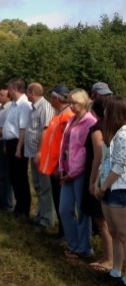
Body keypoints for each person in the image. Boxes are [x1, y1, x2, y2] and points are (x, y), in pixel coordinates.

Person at [59, 88, 96, 258]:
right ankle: (74, 244)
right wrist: (62, 168)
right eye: (70, 102)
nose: (71, 106)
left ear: (82, 102)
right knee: (64, 209)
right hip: (67, 170)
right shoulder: (72, 119)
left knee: (82, 211)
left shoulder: (89, 121)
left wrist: (72, 172)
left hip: (79, 173)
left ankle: (84, 248)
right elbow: (65, 146)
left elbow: (84, 152)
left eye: (74, 102)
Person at [96, 96, 126, 286]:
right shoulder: (112, 134)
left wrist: (104, 186)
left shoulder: (123, 135)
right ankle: (115, 271)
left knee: (123, 234)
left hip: (119, 188)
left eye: (107, 109)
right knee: (115, 232)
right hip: (108, 187)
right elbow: (105, 162)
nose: (104, 112)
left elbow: (119, 165)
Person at [81, 98, 113, 271]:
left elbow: (97, 158)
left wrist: (92, 181)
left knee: (102, 222)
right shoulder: (112, 127)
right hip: (106, 177)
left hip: (100, 177)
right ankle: (107, 256)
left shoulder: (97, 130)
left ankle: (109, 260)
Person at [39, 85, 74, 239]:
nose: (50, 100)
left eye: (51, 97)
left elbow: (66, 144)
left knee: (62, 201)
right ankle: (63, 231)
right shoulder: (58, 115)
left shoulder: (67, 117)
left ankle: (66, 233)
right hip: (53, 165)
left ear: (56, 98)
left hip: (59, 167)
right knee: (57, 198)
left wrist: (61, 166)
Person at [25, 83, 56, 229]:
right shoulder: (33, 108)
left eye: (27, 92)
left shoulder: (45, 107)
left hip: (41, 154)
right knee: (37, 185)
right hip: (33, 153)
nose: (26, 94)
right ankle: (40, 214)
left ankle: (47, 219)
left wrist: (39, 151)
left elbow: (46, 130)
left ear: (32, 92)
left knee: (44, 186)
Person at [2, 78, 32, 218]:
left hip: (18, 143)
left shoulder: (24, 105)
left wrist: (19, 148)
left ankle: (23, 207)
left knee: (20, 176)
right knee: (13, 176)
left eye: (9, 88)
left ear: (14, 89)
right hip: (10, 143)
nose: (8, 91)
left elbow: (23, 129)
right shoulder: (14, 105)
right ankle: (19, 206)